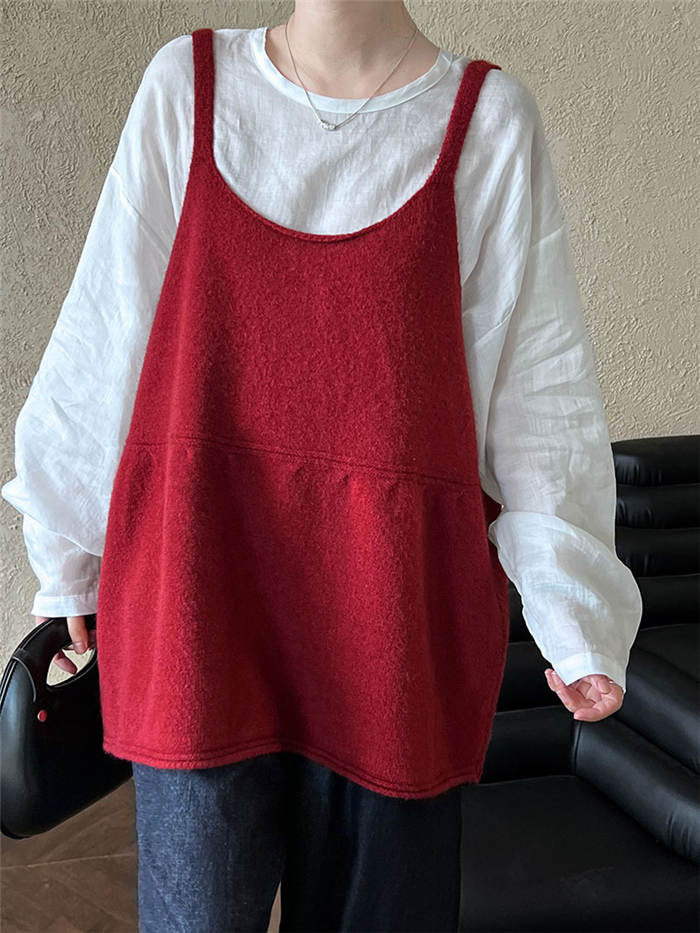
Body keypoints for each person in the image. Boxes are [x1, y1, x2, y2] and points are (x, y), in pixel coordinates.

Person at [2, 3, 643, 930]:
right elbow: (105, 334)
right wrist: (68, 551)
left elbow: (538, 391)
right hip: (199, 605)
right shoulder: (187, 89)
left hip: (393, 630)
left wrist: (574, 619)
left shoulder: (489, 123)